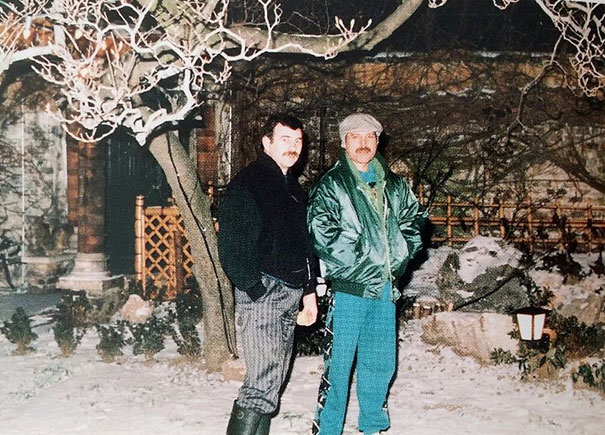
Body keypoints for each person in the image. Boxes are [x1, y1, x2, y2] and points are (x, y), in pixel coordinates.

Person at [307, 113, 426, 435]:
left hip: (385, 290)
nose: (363, 143)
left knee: (380, 362)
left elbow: (414, 222)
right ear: (343, 142)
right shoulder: (332, 185)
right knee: (338, 366)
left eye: (369, 136)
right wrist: (366, 261)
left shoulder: (395, 185)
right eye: (355, 137)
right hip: (350, 290)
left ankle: (373, 425)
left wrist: (400, 255)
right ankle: (328, 429)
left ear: (377, 140)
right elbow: (322, 233)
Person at [218, 114, 318, 435]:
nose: (293, 147)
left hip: (291, 292)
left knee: (272, 384)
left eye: (298, 141)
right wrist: (255, 288)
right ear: (267, 142)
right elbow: (232, 247)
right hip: (264, 295)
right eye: (285, 140)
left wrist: (309, 291)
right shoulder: (249, 183)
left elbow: (304, 245)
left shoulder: (293, 189)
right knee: (260, 384)